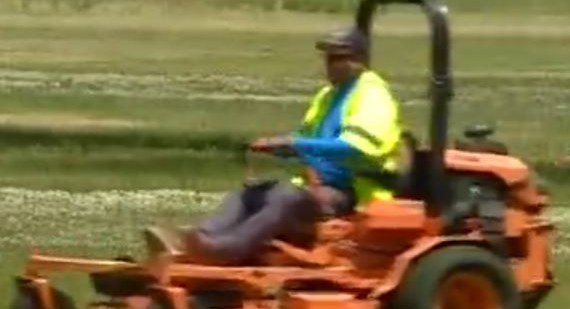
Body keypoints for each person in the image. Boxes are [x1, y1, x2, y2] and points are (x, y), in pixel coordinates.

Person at [144, 25, 404, 264]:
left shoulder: (373, 95)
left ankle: (229, 250)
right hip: (317, 185)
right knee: (251, 194)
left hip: (353, 192)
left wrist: (295, 143)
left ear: (358, 60)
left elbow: (355, 147)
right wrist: (277, 147)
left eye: (335, 58)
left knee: (284, 198)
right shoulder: (329, 95)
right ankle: (198, 240)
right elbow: (308, 139)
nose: (328, 65)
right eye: (327, 58)